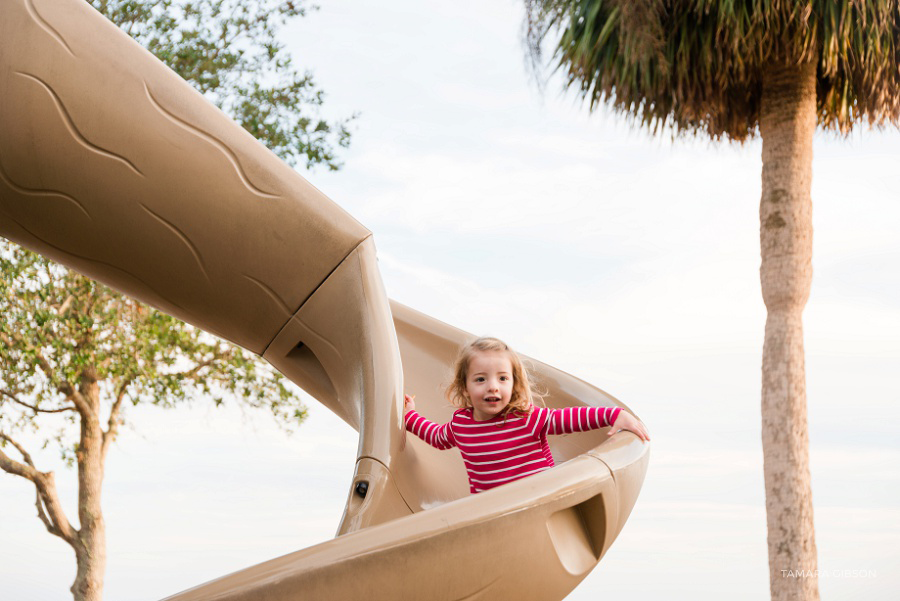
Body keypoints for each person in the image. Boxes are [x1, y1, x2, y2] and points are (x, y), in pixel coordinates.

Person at [403, 336, 650, 494]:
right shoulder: (461, 425)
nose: (492, 386)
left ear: (514, 383)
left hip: (538, 499)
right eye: (481, 379)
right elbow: (435, 437)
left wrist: (614, 415)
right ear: (465, 386)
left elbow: (568, 419)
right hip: (491, 512)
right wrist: (409, 416)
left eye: (502, 378)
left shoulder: (525, 418)